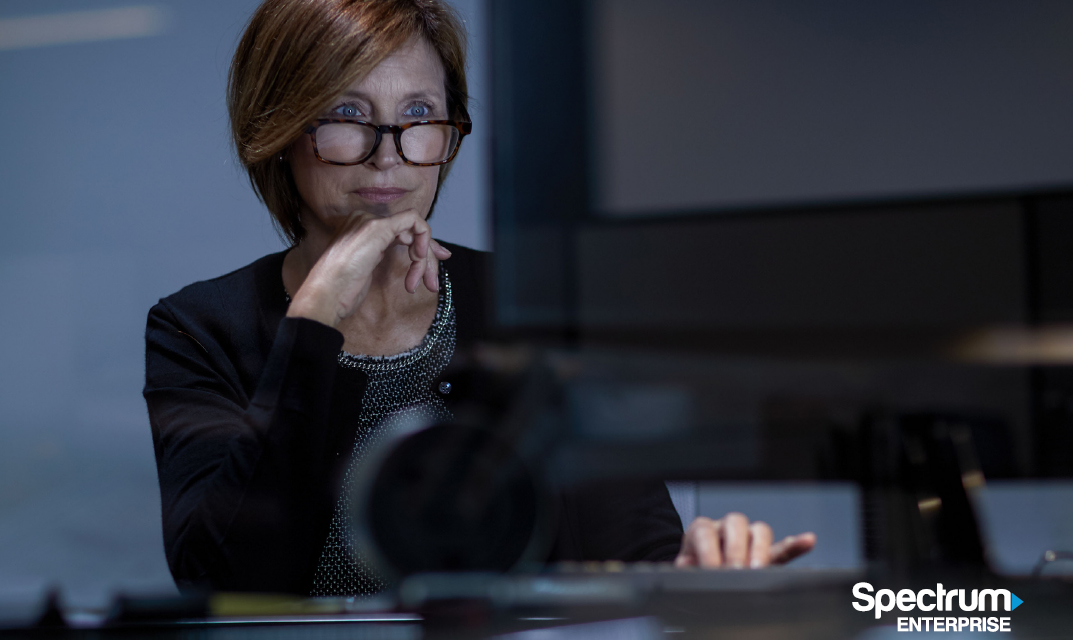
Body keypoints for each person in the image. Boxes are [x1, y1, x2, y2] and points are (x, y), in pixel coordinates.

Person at [142, 0, 815, 596]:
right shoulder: (198, 328)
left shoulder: (537, 308)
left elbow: (632, 553)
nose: (389, 155)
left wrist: (691, 578)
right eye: (347, 114)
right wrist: (312, 325)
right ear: (281, 130)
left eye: (418, 115)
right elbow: (221, 579)